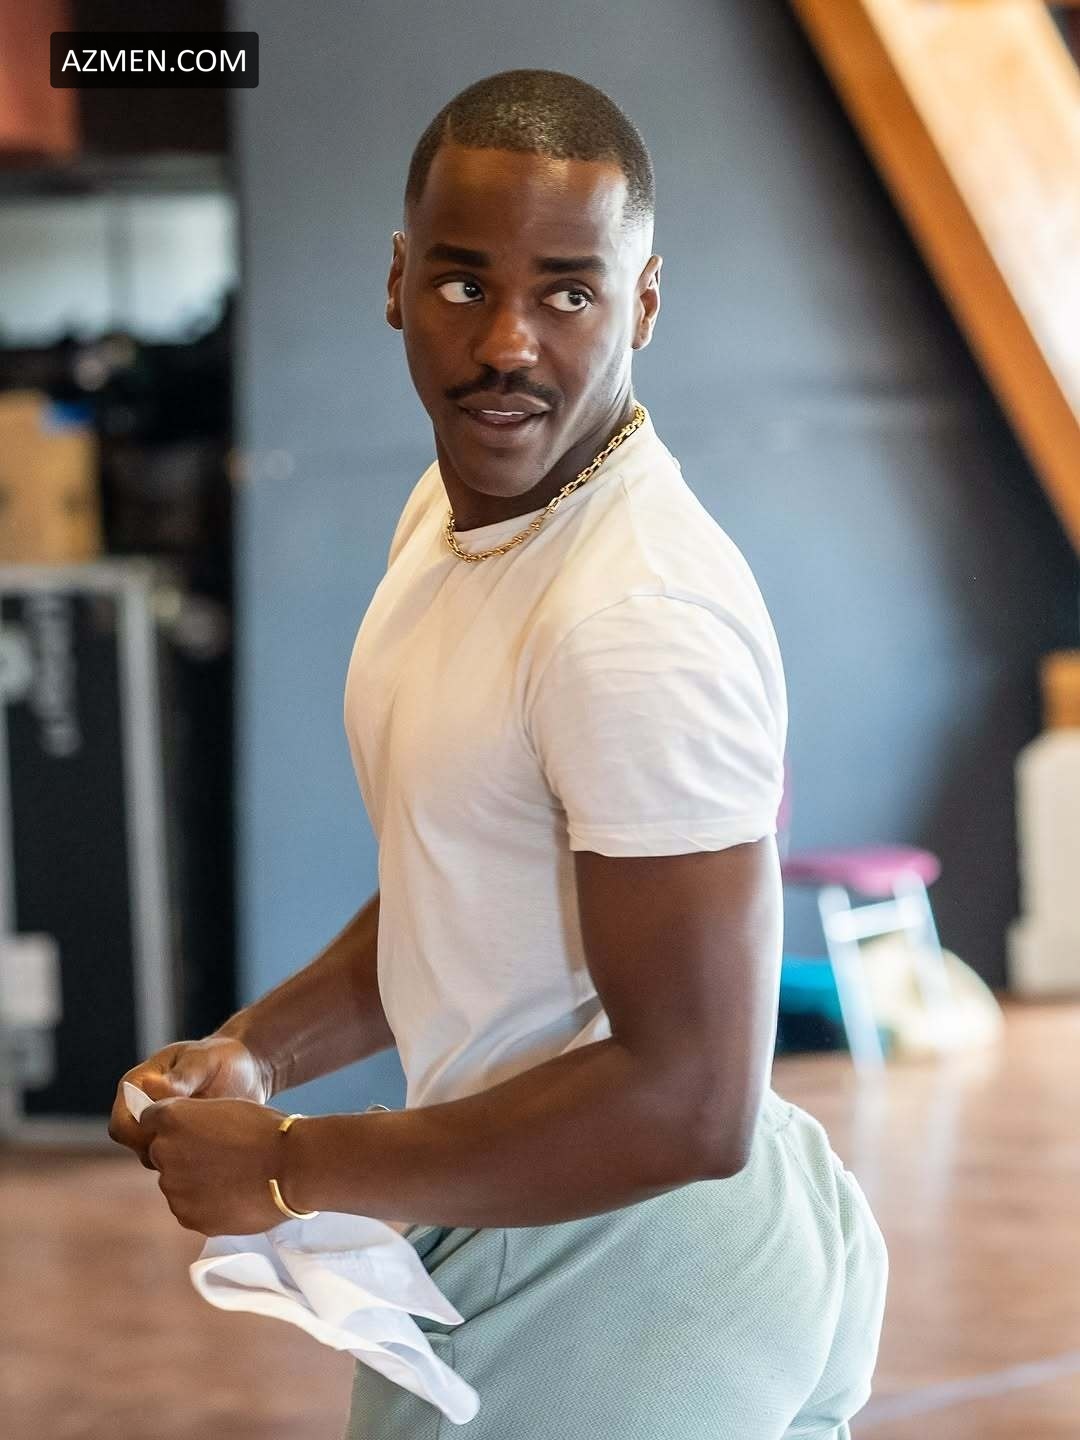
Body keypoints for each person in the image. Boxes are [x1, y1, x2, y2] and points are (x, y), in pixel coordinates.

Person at [109, 69, 888, 1440]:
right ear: (397, 282)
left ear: (643, 303)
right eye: (465, 284)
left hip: (630, 1256)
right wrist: (258, 1054)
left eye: (569, 294)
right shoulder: (456, 510)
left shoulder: (632, 618)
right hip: (569, 1212)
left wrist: (290, 1168)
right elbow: (459, 886)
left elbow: (692, 1102)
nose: (506, 345)